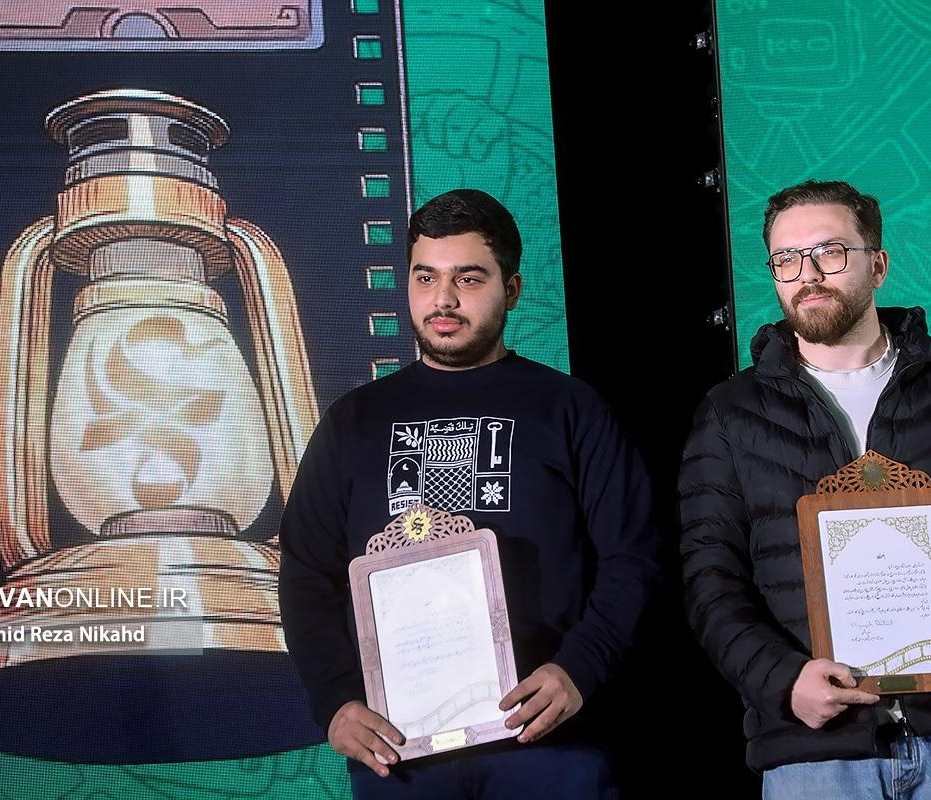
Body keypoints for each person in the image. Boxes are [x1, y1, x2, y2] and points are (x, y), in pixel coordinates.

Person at [678, 179, 931, 798]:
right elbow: (710, 575)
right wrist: (783, 681)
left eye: (830, 252)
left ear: (878, 265)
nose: (808, 274)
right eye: (786, 259)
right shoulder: (731, 412)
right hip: (814, 749)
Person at [280, 188, 660, 798]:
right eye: (425, 277)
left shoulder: (570, 409)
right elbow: (305, 573)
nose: (443, 299)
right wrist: (334, 700)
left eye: (468, 278)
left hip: (549, 742)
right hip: (401, 752)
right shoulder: (353, 422)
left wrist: (579, 669)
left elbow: (633, 558)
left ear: (512, 288)